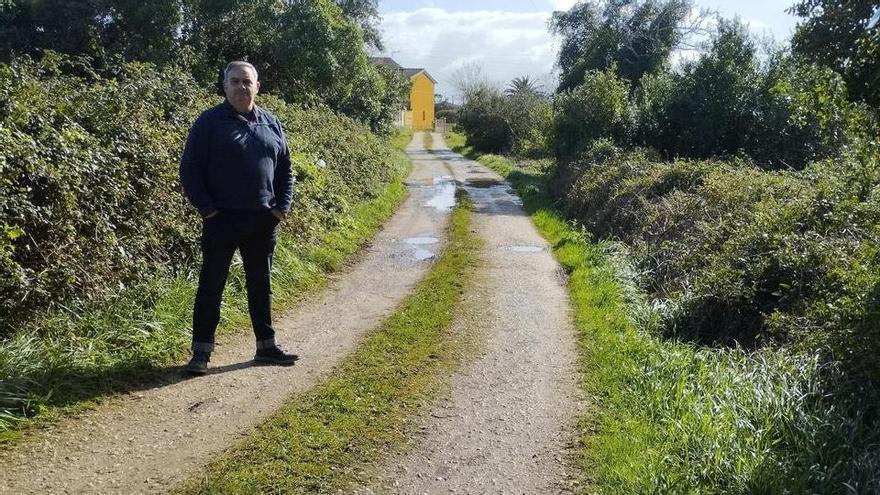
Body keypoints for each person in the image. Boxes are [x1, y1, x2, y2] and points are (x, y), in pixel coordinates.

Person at [179, 60, 297, 375]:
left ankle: (266, 347)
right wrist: (209, 210)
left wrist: (281, 208)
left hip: (263, 220)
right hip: (222, 221)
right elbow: (190, 170)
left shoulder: (271, 123)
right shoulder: (208, 123)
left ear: (257, 86)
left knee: (261, 284)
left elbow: (286, 168)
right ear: (225, 86)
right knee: (211, 285)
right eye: (235, 81)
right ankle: (201, 353)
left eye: (247, 82)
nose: (242, 87)